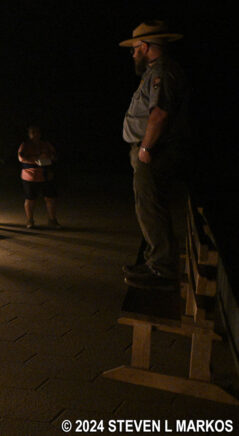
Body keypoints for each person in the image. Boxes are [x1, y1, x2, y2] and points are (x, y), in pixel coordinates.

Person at [119, 21, 189, 290]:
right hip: (150, 151)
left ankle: (162, 269)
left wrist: (146, 149)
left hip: (156, 152)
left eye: (135, 48)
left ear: (145, 47)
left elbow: (159, 114)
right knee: (147, 207)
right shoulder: (154, 72)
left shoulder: (163, 72)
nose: (133, 54)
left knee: (151, 207)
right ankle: (153, 260)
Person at [18, 125, 59, 229]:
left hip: (46, 175)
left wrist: (49, 158)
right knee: (30, 199)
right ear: (29, 134)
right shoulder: (25, 145)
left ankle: (52, 220)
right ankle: (30, 220)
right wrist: (36, 160)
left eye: (37, 132)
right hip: (30, 176)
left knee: (50, 198)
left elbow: (54, 156)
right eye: (32, 132)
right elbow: (21, 158)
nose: (35, 134)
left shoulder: (46, 144)